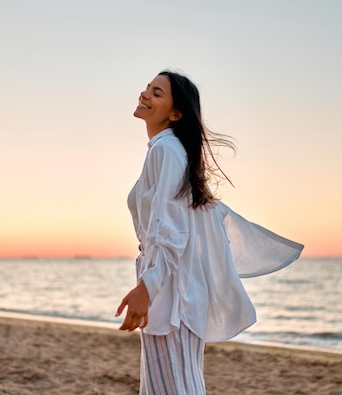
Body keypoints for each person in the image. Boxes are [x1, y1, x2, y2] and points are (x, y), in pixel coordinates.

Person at [116, 70, 304, 394]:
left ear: (176, 113)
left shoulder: (167, 150)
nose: (145, 94)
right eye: (147, 88)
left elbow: (171, 230)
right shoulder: (169, 150)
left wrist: (147, 288)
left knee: (175, 387)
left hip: (170, 294)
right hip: (174, 289)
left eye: (157, 93)